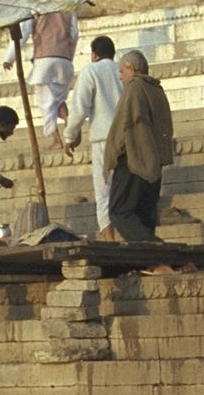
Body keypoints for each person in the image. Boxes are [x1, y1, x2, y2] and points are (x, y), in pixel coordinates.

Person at [103, 51, 173, 243]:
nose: (120, 77)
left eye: (122, 71)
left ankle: (157, 251)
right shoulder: (157, 89)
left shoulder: (134, 88)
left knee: (119, 212)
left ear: (131, 69)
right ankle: (152, 262)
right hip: (154, 161)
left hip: (133, 160)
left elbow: (124, 126)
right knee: (143, 215)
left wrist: (113, 155)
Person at [63, 35, 124, 237]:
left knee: (104, 192)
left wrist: (69, 136)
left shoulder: (91, 70)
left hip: (103, 141)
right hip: (127, 138)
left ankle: (110, 240)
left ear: (94, 54)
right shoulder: (123, 71)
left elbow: (79, 108)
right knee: (124, 189)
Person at [5, 11, 79, 150]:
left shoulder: (35, 6)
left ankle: (56, 140)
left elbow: (23, 32)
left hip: (44, 60)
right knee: (59, 100)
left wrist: (9, 58)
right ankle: (70, 123)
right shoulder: (68, 8)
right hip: (64, 60)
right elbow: (74, 34)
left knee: (46, 103)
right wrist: (69, 57)